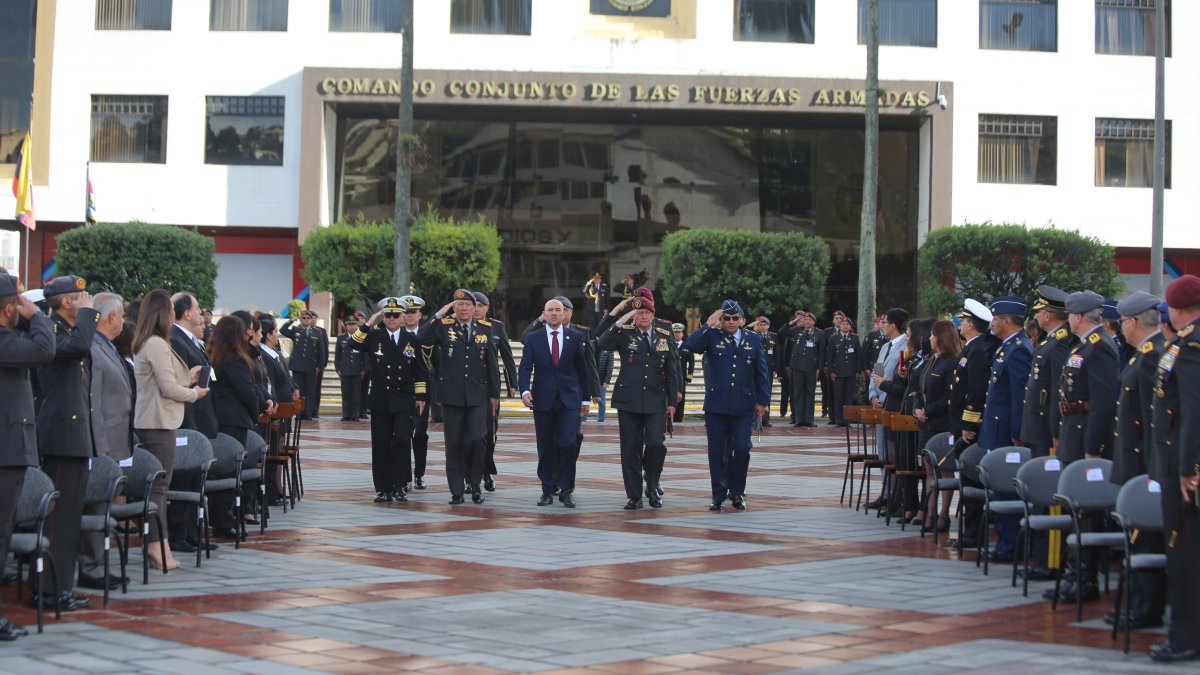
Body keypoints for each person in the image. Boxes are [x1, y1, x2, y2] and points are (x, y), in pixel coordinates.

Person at [33, 275, 99, 611]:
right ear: (64, 301)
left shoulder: (71, 330)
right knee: (58, 520)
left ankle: (61, 586)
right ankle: (47, 589)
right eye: (80, 296)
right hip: (60, 435)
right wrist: (90, 315)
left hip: (74, 436)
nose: (87, 300)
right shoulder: (50, 330)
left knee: (70, 518)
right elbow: (79, 348)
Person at [131, 289, 209, 570]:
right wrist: (194, 394)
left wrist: (187, 379)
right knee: (159, 489)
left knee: (159, 487)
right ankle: (156, 545)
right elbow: (166, 389)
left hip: (157, 420)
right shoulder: (156, 344)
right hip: (158, 422)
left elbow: (164, 381)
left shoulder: (151, 342)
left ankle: (157, 544)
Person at [1102, 291, 1166, 631]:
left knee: (1145, 536)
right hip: (1133, 458)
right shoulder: (1143, 354)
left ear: (1132, 322)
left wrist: (1149, 469)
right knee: (1137, 537)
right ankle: (1141, 606)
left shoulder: (1153, 356)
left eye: (1123, 322)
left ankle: (1145, 609)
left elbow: (1152, 419)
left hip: (1142, 462)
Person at [1051, 290, 1119, 604]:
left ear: (1079, 316)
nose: (1068, 320)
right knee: (1073, 509)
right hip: (1072, 434)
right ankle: (1072, 574)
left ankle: (1085, 578)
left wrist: (1094, 448)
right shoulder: (1082, 345)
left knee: (1087, 512)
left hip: (1084, 438)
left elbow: (1103, 405)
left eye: (1069, 315)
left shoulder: (1099, 347)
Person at [1149, 274, 1200, 663]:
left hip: (1183, 470)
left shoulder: (1192, 346)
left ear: (1179, 310)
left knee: (1183, 554)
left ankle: (1185, 638)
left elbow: (1193, 413)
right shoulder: (1184, 343)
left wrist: (1187, 469)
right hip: (1174, 461)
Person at [0, 273, 54, 640]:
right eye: (18, 302)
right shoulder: (4, 340)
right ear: (9, 308)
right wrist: (36, 315)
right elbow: (44, 350)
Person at [685, 299, 770, 511]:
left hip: (743, 404)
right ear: (721, 320)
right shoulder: (712, 336)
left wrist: (763, 401)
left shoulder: (753, 339)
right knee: (717, 451)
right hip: (717, 404)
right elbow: (690, 345)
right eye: (726, 318)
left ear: (742, 320)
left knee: (742, 449)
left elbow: (761, 372)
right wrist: (708, 323)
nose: (730, 322)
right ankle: (718, 494)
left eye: (735, 318)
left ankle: (737, 492)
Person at [418, 289, 500, 504]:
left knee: (476, 438)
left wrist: (494, 394)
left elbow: (491, 362)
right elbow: (422, 337)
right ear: (454, 308)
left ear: (475, 308)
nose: (463, 309)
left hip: (478, 394)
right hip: (452, 394)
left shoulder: (486, 329)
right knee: (453, 443)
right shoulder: (444, 328)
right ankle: (456, 490)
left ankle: (475, 484)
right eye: (459, 305)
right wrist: (439, 314)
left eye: (467, 305)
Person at [597, 297, 679, 509]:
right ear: (634, 315)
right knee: (630, 449)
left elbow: (671, 371)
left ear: (653, 315)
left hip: (655, 400)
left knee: (655, 445)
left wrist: (672, 401)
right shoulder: (624, 334)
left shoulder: (664, 336)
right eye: (639, 313)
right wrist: (619, 320)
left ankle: (652, 486)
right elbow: (602, 342)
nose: (643, 316)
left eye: (647, 313)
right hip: (628, 400)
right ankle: (634, 495)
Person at [349, 296, 429, 503]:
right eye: (387, 315)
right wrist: (370, 322)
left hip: (403, 398)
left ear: (403, 317)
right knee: (381, 444)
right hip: (380, 399)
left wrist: (420, 396)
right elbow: (353, 342)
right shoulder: (375, 336)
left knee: (402, 440)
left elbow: (420, 371)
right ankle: (384, 488)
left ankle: (400, 484)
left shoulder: (411, 340)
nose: (391, 319)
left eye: (395, 315)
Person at [80, 292, 132, 590]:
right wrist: (99, 447)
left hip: (116, 439)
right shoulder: (92, 347)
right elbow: (93, 402)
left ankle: (98, 562)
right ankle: (90, 566)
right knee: (96, 505)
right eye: (121, 315)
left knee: (104, 505)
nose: (124, 320)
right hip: (102, 442)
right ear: (110, 317)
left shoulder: (106, 346)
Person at [519, 298, 594, 507]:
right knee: (545, 446)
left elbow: (583, 369)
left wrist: (586, 398)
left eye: (557, 310)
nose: (554, 314)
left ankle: (567, 489)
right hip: (542, 400)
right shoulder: (534, 338)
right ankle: (547, 490)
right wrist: (524, 390)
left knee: (568, 443)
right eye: (550, 310)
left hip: (569, 400)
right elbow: (525, 367)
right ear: (544, 314)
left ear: (564, 314)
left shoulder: (575, 337)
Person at [976, 296, 1033, 563]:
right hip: (997, 428)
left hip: (1006, 432)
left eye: (996, 319)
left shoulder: (1019, 349)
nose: (992, 323)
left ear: (1008, 321)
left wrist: (1017, 432)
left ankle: (1010, 544)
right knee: (1000, 485)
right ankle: (1004, 540)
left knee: (1006, 486)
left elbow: (1019, 396)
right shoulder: (1006, 346)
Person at [166, 292, 221, 555]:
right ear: (187, 313)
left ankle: (189, 533)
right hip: (188, 417)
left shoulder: (192, 340)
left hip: (200, 415)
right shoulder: (174, 339)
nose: (201, 315)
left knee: (193, 479)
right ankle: (178, 534)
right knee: (183, 478)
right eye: (198, 310)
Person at [945, 299, 999, 550]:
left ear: (971, 324)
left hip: (969, 428)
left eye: (963, 321)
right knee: (966, 480)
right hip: (960, 423)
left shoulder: (978, 350)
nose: (960, 324)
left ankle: (973, 534)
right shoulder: (972, 348)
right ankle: (970, 531)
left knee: (971, 480)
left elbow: (976, 391)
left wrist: (969, 425)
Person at [916, 319, 961, 532]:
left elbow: (949, 396)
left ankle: (943, 514)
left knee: (944, 470)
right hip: (926, 424)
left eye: (934, 335)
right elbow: (919, 387)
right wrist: (918, 408)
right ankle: (929, 512)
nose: (930, 339)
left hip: (942, 423)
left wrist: (928, 410)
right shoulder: (931, 361)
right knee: (928, 469)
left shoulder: (952, 362)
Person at [474, 292, 518, 491]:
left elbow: (508, 357)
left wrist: (513, 384)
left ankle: (487, 473)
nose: (476, 309)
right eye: (473, 305)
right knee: (469, 436)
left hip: (490, 388)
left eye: (480, 306)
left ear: (486, 308)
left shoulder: (496, 327)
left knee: (489, 434)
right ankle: (470, 476)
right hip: (467, 386)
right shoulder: (457, 326)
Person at [866, 308, 908, 509]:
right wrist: (873, 395)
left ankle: (896, 494)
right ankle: (885, 491)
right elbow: (877, 372)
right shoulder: (884, 347)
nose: (882, 326)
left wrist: (883, 395)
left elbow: (898, 378)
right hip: (880, 405)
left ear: (893, 325)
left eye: (885, 322)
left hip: (892, 405)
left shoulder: (906, 346)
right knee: (882, 451)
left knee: (893, 453)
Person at [398, 295, 433, 489]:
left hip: (423, 391)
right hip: (400, 391)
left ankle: (419, 473)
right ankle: (405, 477)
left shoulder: (428, 336)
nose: (410, 316)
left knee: (419, 434)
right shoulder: (396, 334)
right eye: (407, 313)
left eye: (413, 312)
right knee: (402, 435)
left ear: (420, 315)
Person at [281, 309, 328, 420]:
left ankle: (308, 413)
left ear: (312, 319)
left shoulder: (317, 333)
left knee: (310, 392)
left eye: (308, 318)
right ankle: (299, 413)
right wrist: (291, 320)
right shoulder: (296, 330)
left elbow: (322, 352)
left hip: (311, 367)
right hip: (297, 366)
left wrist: (319, 366)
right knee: (299, 391)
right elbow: (283, 330)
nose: (306, 320)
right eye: (304, 318)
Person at [784, 312, 824, 427]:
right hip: (797, 367)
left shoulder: (819, 334)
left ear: (814, 322)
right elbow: (782, 332)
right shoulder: (796, 331)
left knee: (810, 394)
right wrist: (793, 322)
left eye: (810, 320)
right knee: (798, 394)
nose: (807, 321)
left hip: (811, 367)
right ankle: (799, 419)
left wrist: (819, 368)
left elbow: (821, 352)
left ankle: (809, 420)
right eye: (805, 319)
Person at [826, 315, 860, 427]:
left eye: (847, 324)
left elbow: (857, 355)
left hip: (850, 372)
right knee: (838, 397)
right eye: (843, 324)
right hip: (838, 372)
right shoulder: (833, 338)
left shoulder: (854, 338)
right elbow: (830, 357)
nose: (845, 326)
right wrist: (831, 371)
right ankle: (839, 420)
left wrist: (857, 370)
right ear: (839, 326)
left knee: (848, 397)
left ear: (850, 326)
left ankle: (847, 420)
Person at [335, 316, 368, 421]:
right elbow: (337, 354)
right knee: (346, 393)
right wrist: (337, 368)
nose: (351, 327)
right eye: (349, 324)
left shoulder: (361, 338)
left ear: (357, 325)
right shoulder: (341, 338)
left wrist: (364, 369)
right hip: (344, 369)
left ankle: (355, 414)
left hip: (357, 370)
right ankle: (346, 414)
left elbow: (365, 355)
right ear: (346, 326)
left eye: (353, 324)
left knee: (356, 394)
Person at [749, 317, 776, 427]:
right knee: (754, 393)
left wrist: (776, 368)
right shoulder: (753, 336)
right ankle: (754, 418)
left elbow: (777, 353)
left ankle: (765, 419)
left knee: (766, 393)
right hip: (754, 369)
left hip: (768, 369)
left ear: (768, 326)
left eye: (764, 324)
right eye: (760, 324)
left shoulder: (773, 337)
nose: (762, 326)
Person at [672, 322, 694, 424]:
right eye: (675, 332)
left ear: (682, 334)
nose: (677, 334)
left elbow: (691, 364)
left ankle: (678, 419)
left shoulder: (687, 346)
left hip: (682, 377)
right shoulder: (668, 344)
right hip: (670, 375)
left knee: (681, 399)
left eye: (679, 332)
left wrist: (688, 378)